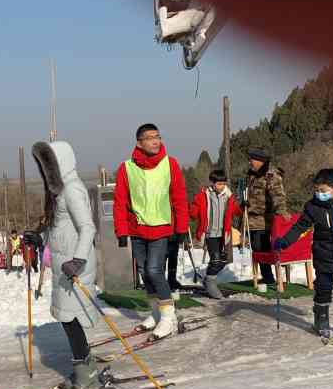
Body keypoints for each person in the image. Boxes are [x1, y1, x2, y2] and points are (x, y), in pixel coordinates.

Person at [31, 140, 100, 389]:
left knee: (72, 322)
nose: (46, 173)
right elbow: (60, 230)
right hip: (65, 267)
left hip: (75, 267)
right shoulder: (60, 193)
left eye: (48, 166)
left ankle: (87, 379)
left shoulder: (73, 190)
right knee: (67, 320)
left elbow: (88, 228)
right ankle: (85, 368)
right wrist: (38, 238)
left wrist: (78, 260)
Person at [113, 123, 189, 338]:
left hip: (161, 228)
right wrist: (121, 231)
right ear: (139, 142)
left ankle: (168, 318)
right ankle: (156, 313)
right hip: (137, 230)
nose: (156, 141)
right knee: (144, 272)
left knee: (155, 270)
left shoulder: (169, 164)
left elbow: (179, 197)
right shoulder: (126, 168)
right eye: (150, 138)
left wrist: (182, 227)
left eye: (158, 136)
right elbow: (120, 202)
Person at [274, 168, 333, 340]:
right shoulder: (312, 206)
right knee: (323, 289)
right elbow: (300, 227)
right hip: (324, 254)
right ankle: (321, 321)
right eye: (317, 190)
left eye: (323, 190)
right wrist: (285, 241)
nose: (319, 194)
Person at [189, 169, 243, 299]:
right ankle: (210, 282)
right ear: (212, 183)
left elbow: (236, 211)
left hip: (223, 233)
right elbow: (194, 211)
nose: (222, 186)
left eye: (224, 183)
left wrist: (243, 206)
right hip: (210, 233)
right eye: (219, 184)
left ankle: (208, 278)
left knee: (224, 260)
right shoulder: (203, 196)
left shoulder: (228, 196)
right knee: (216, 258)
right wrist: (188, 210)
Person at [245, 148, 288, 286]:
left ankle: (270, 278)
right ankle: (267, 276)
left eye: (251, 159)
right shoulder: (252, 174)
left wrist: (281, 216)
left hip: (266, 220)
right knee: (257, 248)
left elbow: (278, 196)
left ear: (260, 161)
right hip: (252, 220)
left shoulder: (271, 175)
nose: (249, 162)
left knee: (265, 248)